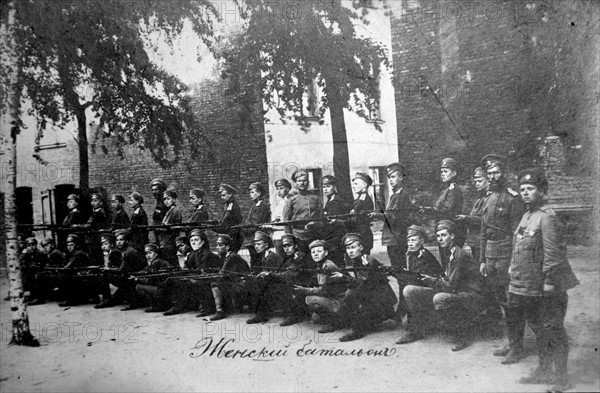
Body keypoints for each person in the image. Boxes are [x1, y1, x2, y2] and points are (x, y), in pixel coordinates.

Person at [506, 169, 578, 391]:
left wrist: (549, 282)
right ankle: (543, 371)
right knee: (539, 328)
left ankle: (562, 378)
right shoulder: (527, 216)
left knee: (553, 328)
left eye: (531, 189)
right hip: (529, 285)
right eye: (523, 189)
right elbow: (519, 246)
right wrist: (512, 267)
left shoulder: (547, 217)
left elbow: (553, 255)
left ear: (542, 191)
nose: (526, 193)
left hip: (548, 286)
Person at [400, 220, 484, 350]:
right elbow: (447, 278)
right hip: (455, 289)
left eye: (444, 235)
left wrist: (431, 280)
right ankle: (416, 331)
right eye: (438, 236)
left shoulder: (458, 254)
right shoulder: (448, 252)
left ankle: (462, 334)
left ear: (453, 236)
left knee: (439, 298)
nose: (440, 239)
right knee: (409, 290)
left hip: (469, 295)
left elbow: (450, 286)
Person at [478, 154, 527, 360]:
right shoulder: (488, 198)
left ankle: (517, 347)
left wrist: (514, 262)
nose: (493, 176)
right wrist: (482, 259)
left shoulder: (513, 198)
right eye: (489, 173)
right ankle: (511, 342)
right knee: (501, 300)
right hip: (490, 254)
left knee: (512, 301)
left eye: (496, 172)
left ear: (503, 173)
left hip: (506, 252)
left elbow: (518, 232)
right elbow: (483, 231)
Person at [338, 233, 397, 342]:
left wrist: (343, 277)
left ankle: (358, 331)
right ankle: (387, 314)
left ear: (361, 247)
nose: (350, 251)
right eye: (348, 248)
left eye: (353, 247)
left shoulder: (367, 261)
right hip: (370, 296)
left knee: (351, 295)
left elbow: (361, 283)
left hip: (379, 299)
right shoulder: (356, 260)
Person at [394, 225, 445, 344]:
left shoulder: (424, 255)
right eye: (409, 240)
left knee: (409, 290)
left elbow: (420, 278)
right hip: (425, 289)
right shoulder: (411, 254)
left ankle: (415, 333)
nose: (410, 243)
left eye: (414, 240)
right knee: (405, 323)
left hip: (434, 290)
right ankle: (426, 322)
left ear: (421, 241)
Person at [258, 234, 317, 326]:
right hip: (297, 282)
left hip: (306, 285)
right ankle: (263, 314)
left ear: (295, 245)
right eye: (284, 246)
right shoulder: (291, 257)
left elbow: (288, 275)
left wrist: (270, 274)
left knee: (281, 286)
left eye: (289, 245)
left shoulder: (300, 256)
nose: (286, 249)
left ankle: (294, 315)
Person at [294, 240, 351, 334]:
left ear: (326, 253)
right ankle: (334, 316)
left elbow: (322, 291)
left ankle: (335, 322)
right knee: (315, 318)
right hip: (334, 297)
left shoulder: (327, 266)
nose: (316, 254)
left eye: (319, 251)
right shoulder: (321, 264)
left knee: (309, 299)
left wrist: (303, 289)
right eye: (313, 252)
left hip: (340, 300)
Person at [162, 229, 220, 316]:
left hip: (208, 279)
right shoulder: (193, 254)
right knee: (173, 279)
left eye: (196, 240)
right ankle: (176, 306)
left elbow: (205, 271)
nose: (193, 243)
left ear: (203, 242)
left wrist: (191, 276)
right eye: (192, 240)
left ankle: (207, 308)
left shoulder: (207, 254)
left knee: (195, 282)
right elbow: (188, 268)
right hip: (197, 277)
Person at [420, 158, 466, 247]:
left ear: (454, 173)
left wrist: (430, 210)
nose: (442, 174)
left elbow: (447, 210)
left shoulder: (454, 190)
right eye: (441, 172)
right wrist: (428, 209)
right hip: (446, 229)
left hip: (452, 230)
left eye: (445, 171)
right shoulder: (447, 189)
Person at [206, 234, 251, 321]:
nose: (217, 247)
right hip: (239, 282)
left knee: (215, 284)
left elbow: (222, 274)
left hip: (243, 284)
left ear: (227, 247)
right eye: (217, 245)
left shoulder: (231, 257)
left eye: (220, 245)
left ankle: (220, 312)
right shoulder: (229, 256)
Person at [311, 175, 351, 267]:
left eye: (328, 186)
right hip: (330, 236)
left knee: (336, 262)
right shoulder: (329, 201)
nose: (325, 189)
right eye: (324, 187)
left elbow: (342, 221)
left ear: (334, 187)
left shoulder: (339, 201)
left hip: (337, 237)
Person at [246, 230, 284, 324]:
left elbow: (274, 274)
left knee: (258, 284)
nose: (256, 247)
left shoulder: (271, 257)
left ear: (266, 245)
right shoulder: (264, 255)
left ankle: (261, 315)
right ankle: (260, 312)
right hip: (273, 282)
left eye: (259, 244)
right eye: (255, 244)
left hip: (280, 283)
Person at [282, 170, 322, 252]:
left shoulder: (316, 198)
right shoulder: (291, 200)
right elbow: (286, 221)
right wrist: (289, 237)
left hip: (313, 235)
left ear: (308, 182)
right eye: (299, 181)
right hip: (297, 236)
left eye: (304, 180)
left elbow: (321, 218)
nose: (302, 183)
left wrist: (316, 224)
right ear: (295, 183)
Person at [456, 167, 489, 263]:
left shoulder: (488, 199)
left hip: (481, 242)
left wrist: (466, 218)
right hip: (475, 241)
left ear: (488, 180)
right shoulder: (480, 198)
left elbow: (484, 220)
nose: (477, 184)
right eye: (475, 181)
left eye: (480, 181)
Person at [58, 234, 97, 307]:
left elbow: (67, 267)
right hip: (85, 277)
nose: (69, 247)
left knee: (66, 276)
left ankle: (71, 300)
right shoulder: (73, 253)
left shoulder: (78, 253)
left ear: (77, 245)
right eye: (68, 245)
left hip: (88, 278)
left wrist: (60, 269)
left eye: (72, 245)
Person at [134, 244, 173, 312]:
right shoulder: (158, 261)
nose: (148, 256)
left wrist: (137, 279)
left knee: (138, 287)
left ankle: (155, 306)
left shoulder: (156, 262)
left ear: (156, 253)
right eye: (146, 254)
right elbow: (145, 271)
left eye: (150, 253)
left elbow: (150, 281)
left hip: (163, 290)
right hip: (165, 289)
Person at [347, 172, 375, 256]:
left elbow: (358, 218)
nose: (353, 186)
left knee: (363, 259)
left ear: (365, 185)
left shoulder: (363, 199)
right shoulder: (360, 199)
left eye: (356, 184)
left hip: (363, 234)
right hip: (360, 233)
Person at [243, 182, 272, 259]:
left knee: (258, 259)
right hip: (251, 238)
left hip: (258, 237)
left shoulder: (263, 206)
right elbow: (249, 220)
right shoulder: (254, 206)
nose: (250, 195)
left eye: (252, 192)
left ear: (259, 193)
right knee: (254, 259)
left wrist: (247, 228)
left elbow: (257, 222)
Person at [157, 190, 183, 268]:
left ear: (174, 199)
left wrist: (161, 228)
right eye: (164, 199)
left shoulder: (175, 211)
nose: (166, 201)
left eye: (168, 199)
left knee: (170, 263)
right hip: (165, 242)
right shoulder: (169, 211)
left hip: (169, 242)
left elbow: (169, 227)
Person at [217, 183, 243, 252]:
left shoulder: (233, 206)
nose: (222, 197)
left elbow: (237, 220)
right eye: (221, 195)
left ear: (230, 194)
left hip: (233, 237)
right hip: (228, 235)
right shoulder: (227, 206)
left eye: (224, 195)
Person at [269, 178, 292, 258]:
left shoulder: (288, 202)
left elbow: (285, 221)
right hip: (277, 235)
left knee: (284, 258)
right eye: (277, 189)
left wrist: (272, 226)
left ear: (288, 189)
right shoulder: (280, 202)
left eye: (281, 188)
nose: (279, 191)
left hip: (283, 235)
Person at [20, 237, 46, 304]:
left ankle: (39, 298)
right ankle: (31, 295)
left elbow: (42, 265)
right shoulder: (26, 254)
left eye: (33, 245)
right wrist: (23, 253)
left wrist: (33, 265)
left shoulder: (40, 253)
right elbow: (20, 262)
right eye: (29, 245)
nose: (31, 247)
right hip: (31, 272)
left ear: (36, 245)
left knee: (36, 276)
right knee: (25, 275)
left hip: (40, 272)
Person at [150, 178, 168, 244]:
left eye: (156, 190)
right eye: (153, 190)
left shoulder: (165, 203)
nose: (154, 192)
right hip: (158, 233)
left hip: (163, 234)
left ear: (162, 190)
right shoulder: (159, 202)